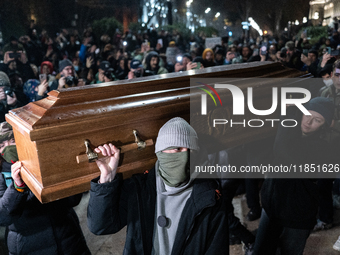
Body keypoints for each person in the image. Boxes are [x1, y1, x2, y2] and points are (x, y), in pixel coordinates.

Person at [87, 117, 229, 254]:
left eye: (190, 150)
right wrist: (107, 177)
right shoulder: (139, 189)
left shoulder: (210, 198)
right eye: (177, 148)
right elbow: (101, 226)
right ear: (161, 152)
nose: (185, 157)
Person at [253, 97, 335, 255]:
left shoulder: (323, 148)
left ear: (325, 125)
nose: (309, 122)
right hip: (272, 206)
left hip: (297, 216)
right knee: (261, 251)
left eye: (317, 120)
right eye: (307, 114)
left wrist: (289, 112)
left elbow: (284, 151)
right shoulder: (292, 132)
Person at [0, 121, 91, 255]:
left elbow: (72, 200)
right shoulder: (2, 175)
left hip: (66, 238)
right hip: (28, 245)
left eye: (13, 140)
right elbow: (3, 217)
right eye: (1, 145)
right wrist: (17, 187)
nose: (8, 148)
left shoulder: (45, 161)